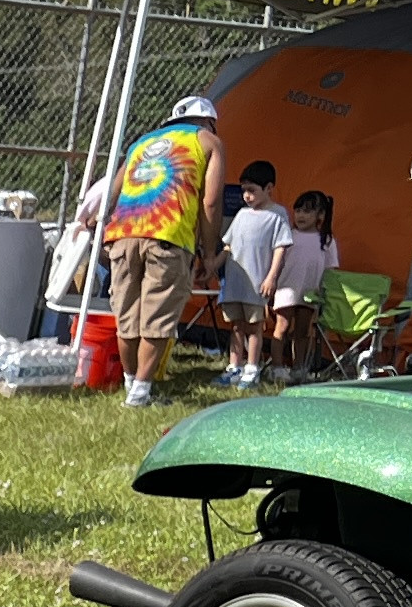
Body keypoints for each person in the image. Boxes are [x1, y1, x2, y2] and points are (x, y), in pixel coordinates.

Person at [104, 94, 228, 408]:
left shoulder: (140, 143)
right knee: (157, 317)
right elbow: (210, 203)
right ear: (209, 121)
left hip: (123, 233)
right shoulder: (209, 142)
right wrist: (209, 252)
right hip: (168, 234)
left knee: (127, 317)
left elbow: (113, 191)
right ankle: (141, 393)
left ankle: (131, 384)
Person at [216, 160, 286, 386]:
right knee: (236, 324)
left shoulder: (277, 215)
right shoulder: (242, 215)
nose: (247, 196)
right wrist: (212, 265)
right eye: (244, 190)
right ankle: (234, 366)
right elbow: (228, 246)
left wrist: (271, 277)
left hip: (257, 283)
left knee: (254, 326)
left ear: (268, 188)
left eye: (252, 190)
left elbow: (280, 247)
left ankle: (252, 368)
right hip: (235, 281)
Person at [264, 188, 340, 374]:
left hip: (310, 293)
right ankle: (277, 367)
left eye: (307, 211)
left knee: (303, 332)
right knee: (282, 327)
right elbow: (277, 262)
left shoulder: (327, 241)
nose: (300, 216)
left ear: (320, 215)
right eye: (298, 211)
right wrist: (271, 284)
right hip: (286, 290)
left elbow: (331, 270)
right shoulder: (288, 236)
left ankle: (299, 367)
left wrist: (325, 293)